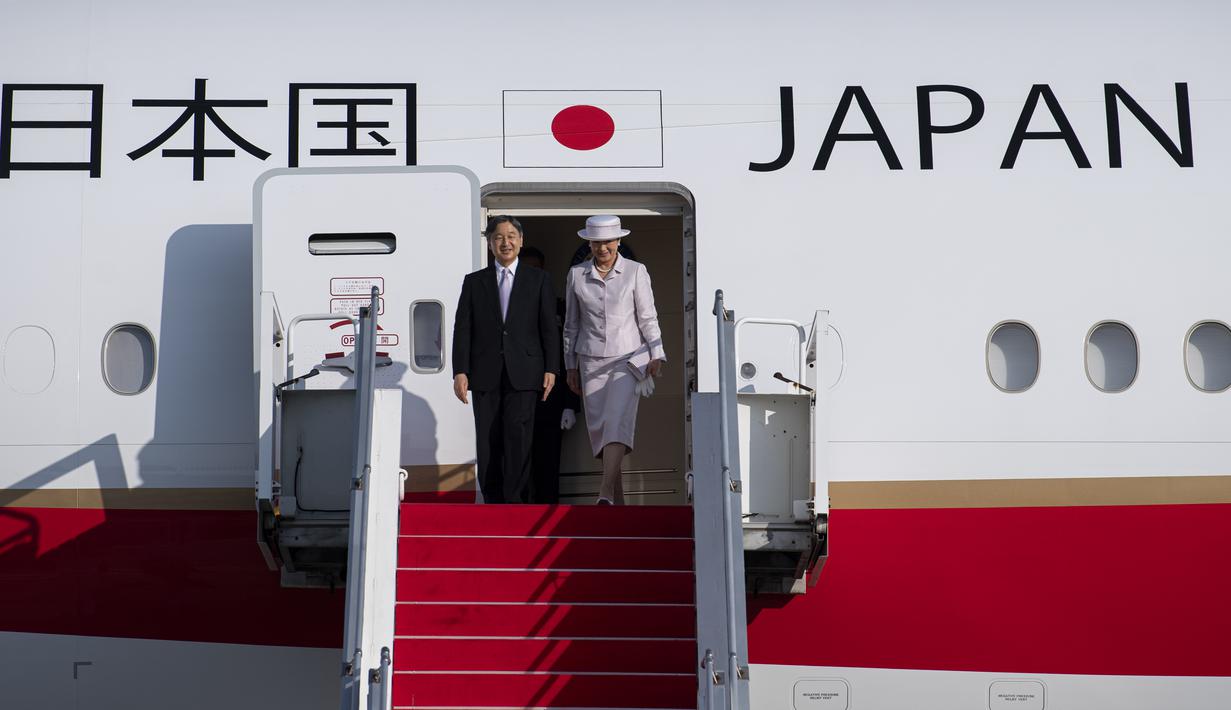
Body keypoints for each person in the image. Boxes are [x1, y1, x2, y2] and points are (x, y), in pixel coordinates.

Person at [452, 216, 558, 503]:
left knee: (519, 437)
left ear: (521, 241)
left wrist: (551, 368)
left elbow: (548, 327)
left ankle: (516, 502)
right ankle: (492, 500)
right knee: (488, 440)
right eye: (499, 237)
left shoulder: (539, 280)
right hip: (484, 373)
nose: (506, 242)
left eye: (512, 236)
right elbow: (463, 327)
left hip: (525, 372)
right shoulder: (474, 282)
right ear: (490, 243)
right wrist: (460, 370)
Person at [563, 215, 665, 505]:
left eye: (607, 241)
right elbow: (571, 324)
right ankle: (617, 502)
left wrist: (656, 353)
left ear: (618, 241)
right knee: (601, 428)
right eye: (596, 242)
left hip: (628, 359)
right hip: (590, 360)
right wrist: (570, 365)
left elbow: (648, 317)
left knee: (617, 421)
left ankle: (605, 491)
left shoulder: (636, 271)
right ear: (589, 244)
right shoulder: (576, 275)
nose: (602, 247)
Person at [520, 246, 581, 504]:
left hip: (551, 399)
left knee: (548, 461)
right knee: (517, 461)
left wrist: (570, 404)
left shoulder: (560, 308)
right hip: (517, 397)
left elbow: (570, 356)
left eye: (536, 269)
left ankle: (546, 513)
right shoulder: (505, 308)